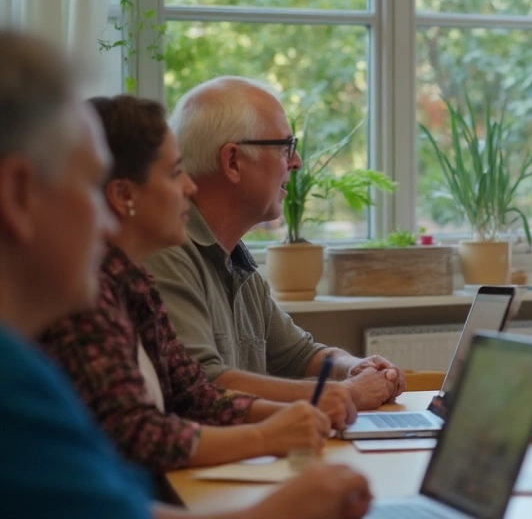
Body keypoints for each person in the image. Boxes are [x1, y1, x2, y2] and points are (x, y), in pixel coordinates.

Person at [0, 30, 370, 518]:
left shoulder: (38, 354)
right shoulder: (15, 385)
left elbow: (184, 405)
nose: (108, 224)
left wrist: (297, 418)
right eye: (91, 185)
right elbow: (137, 437)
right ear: (20, 195)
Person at [39, 95, 330, 473]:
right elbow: (138, 434)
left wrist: (294, 416)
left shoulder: (132, 279)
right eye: (175, 173)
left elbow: (195, 394)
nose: (190, 188)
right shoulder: (87, 292)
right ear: (124, 195)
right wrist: (269, 435)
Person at [145, 77, 403, 429]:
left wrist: (354, 366)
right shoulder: (166, 252)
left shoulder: (235, 259)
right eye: (284, 147)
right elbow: (204, 383)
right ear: (233, 161)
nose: (296, 161)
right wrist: (345, 394)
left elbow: (300, 354)